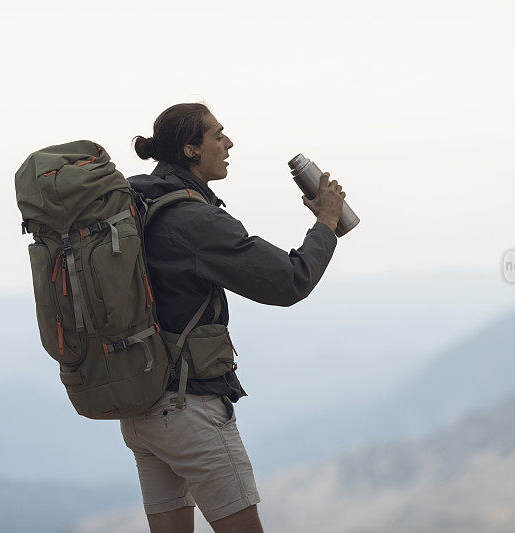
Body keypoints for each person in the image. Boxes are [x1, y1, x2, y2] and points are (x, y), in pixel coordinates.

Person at [121, 102, 345, 533]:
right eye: (217, 135)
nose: (228, 143)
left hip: (142, 408)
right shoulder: (193, 220)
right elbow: (288, 281)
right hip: (189, 410)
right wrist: (327, 222)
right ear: (190, 149)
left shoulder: (139, 204)